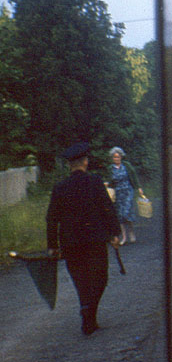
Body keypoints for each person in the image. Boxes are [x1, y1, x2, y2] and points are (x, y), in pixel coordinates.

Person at [46, 142, 121, 335]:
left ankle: (87, 312)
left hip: (70, 243)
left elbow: (52, 218)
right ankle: (89, 313)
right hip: (95, 240)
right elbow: (107, 208)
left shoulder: (59, 187)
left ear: (70, 165)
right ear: (85, 162)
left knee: (81, 280)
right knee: (100, 278)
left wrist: (53, 245)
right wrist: (114, 233)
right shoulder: (95, 182)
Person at [107, 146, 145, 245]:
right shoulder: (110, 169)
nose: (116, 159)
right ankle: (124, 236)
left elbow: (134, 176)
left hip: (128, 191)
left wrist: (139, 187)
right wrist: (107, 185)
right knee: (120, 215)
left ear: (121, 157)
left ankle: (131, 232)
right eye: (115, 157)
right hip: (118, 193)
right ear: (112, 158)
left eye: (118, 157)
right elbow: (110, 182)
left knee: (127, 212)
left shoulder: (126, 166)